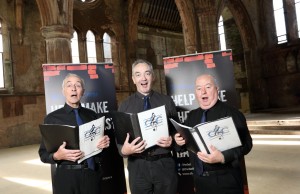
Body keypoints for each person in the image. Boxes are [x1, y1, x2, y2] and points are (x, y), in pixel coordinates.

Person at [174, 74, 253, 194]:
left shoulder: (232, 113)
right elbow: (185, 144)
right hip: (201, 182)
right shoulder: (192, 116)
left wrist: (223, 157)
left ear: (216, 89)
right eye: (199, 88)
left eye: (208, 87)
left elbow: (247, 145)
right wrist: (179, 141)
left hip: (227, 181)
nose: (203, 92)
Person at [38, 73, 110, 194]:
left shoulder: (92, 115)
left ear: (83, 91)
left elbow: (102, 151)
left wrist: (104, 144)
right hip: (67, 178)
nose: (73, 88)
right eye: (69, 85)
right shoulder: (52, 119)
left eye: (78, 85)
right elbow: (43, 154)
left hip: (92, 176)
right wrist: (57, 156)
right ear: (63, 91)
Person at [117, 59, 178, 194]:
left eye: (147, 73)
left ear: (153, 76)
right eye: (138, 74)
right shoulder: (124, 106)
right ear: (133, 79)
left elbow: (177, 134)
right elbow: (119, 142)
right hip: (138, 167)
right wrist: (124, 151)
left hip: (164, 165)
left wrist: (172, 141)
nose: (143, 78)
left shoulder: (167, 101)